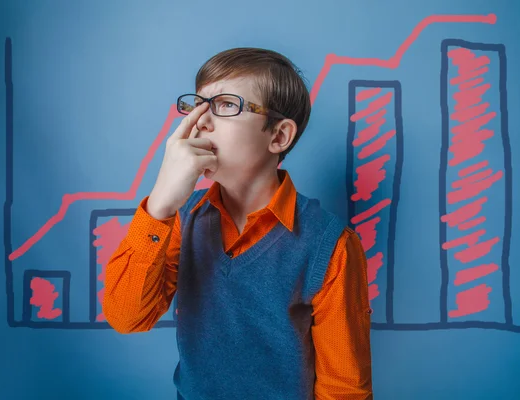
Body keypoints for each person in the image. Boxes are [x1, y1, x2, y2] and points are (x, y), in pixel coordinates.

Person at [103, 47, 373, 400]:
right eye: (198, 104)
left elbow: (344, 388)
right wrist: (161, 204)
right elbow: (126, 317)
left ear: (278, 136)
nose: (201, 121)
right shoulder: (180, 221)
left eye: (226, 105)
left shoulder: (331, 245)